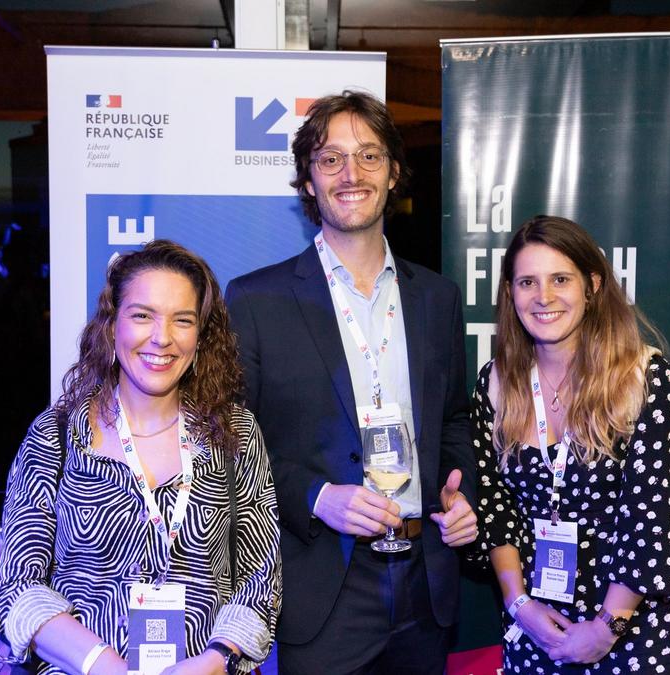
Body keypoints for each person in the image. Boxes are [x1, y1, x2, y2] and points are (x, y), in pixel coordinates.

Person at [224, 90, 477, 674]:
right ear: (308, 180)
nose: (351, 174)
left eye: (369, 156)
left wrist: (461, 493)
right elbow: (230, 444)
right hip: (321, 585)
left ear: (393, 172)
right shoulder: (256, 300)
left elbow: (453, 420)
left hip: (425, 582)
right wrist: (317, 498)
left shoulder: (437, 297)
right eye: (331, 159)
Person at [0, 240, 281, 675]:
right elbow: (16, 586)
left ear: (201, 336)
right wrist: (103, 663)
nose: (162, 337)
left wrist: (214, 661)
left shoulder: (234, 433)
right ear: (112, 326)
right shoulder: (57, 436)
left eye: (183, 320)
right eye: (143, 315)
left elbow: (260, 581)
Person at [473, 216, 670, 674]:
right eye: (527, 282)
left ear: (592, 285)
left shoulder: (644, 380)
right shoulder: (497, 384)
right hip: (536, 624)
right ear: (510, 292)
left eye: (561, 279)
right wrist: (519, 604)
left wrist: (605, 629)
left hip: (630, 625)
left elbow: (653, 515)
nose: (544, 296)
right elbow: (493, 504)